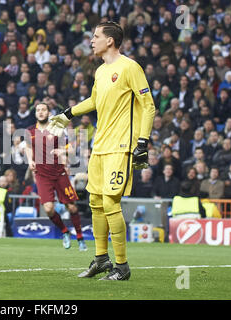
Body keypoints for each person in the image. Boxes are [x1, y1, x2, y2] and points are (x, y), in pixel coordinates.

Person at [47, 22, 155, 280]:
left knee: (110, 201)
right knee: (95, 202)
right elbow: (94, 101)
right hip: (101, 146)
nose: (91, 41)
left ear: (110, 41)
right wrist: (68, 113)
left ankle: (122, 266)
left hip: (121, 146)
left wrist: (143, 142)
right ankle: (101, 259)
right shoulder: (100, 71)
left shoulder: (130, 67)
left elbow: (148, 106)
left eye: (96, 37)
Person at [24, 102, 88, 251]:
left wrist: (62, 152)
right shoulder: (30, 131)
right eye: (38, 110)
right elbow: (27, 147)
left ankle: (80, 237)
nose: (40, 112)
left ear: (48, 112)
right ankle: (65, 232)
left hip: (59, 173)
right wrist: (30, 160)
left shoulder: (57, 129)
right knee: (48, 208)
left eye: (43, 110)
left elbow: (71, 150)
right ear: (35, 114)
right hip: (42, 175)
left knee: (72, 207)